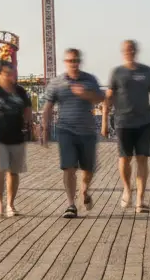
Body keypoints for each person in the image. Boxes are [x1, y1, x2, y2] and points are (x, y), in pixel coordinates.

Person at [102, 40, 150, 214]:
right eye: (126, 49)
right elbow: (108, 98)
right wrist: (104, 122)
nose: (129, 51)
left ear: (136, 51)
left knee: (142, 159)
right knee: (124, 159)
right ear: (123, 51)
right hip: (123, 122)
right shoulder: (117, 72)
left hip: (144, 122)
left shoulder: (147, 72)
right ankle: (127, 189)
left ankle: (140, 200)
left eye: (132, 48)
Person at [40, 48, 104, 219]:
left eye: (76, 60)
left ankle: (85, 190)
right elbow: (47, 106)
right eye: (70, 61)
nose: (73, 64)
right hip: (65, 130)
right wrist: (45, 128)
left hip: (87, 131)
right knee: (68, 168)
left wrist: (85, 94)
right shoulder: (57, 82)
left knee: (88, 169)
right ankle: (70, 204)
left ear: (80, 61)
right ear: (65, 62)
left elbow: (100, 98)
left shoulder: (90, 79)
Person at [0, 61, 32, 218]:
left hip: (17, 136)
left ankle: (10, 204)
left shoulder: (20, 91)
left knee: (14, 172)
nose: (11, 76)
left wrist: (30, 124)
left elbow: (28, 108)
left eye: (12, 73)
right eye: (7, 73)